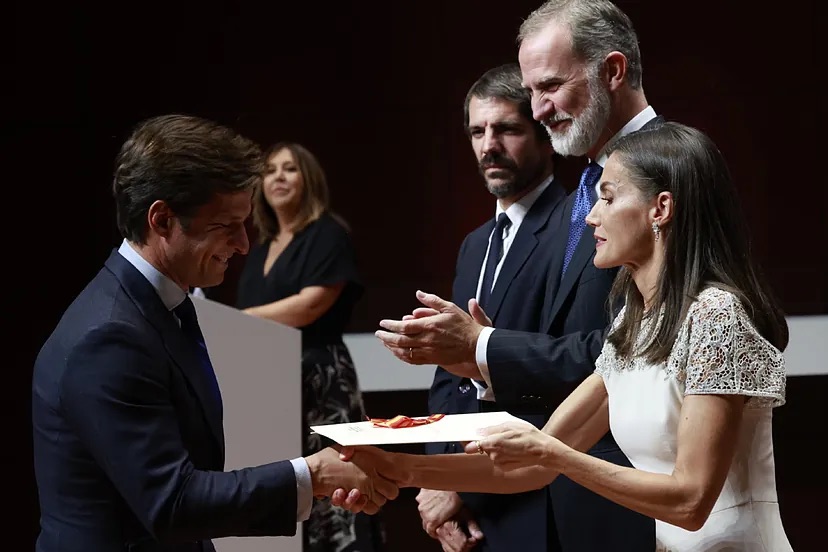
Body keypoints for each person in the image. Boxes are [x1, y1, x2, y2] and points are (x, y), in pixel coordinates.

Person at [346, 121, 794, 551]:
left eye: (608, 198)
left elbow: (691, 501)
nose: (592, 217)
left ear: (661, 208)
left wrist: (555, 455)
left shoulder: (717, 316)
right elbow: (531, 468)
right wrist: (399, 468)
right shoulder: (633, 324)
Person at [31, 114, 398, 552]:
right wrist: (313, 475)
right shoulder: (110, 337)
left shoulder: (161, 306)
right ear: (162, 220)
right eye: (227, 226)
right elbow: (173, 503)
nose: (244, 244)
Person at [377, 1, 661, 549]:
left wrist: (484, 348)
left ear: (613, 71)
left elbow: (632, 355)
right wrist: (443, 475)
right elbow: (609, 363)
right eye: (532, 91)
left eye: (550, 86)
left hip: (628, 496)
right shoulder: (593, 182)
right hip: (558, 483)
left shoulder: (670, 165)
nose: (541, 108)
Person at [235, 141, 383, 552]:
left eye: (289, 169)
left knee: (334, 492)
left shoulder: (328, 234)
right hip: (268, 385)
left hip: (322, 380)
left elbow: (311, 304)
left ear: (309, 180)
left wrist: (243, 320)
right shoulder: (259, 246)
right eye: (269, 170)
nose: (278, 177)